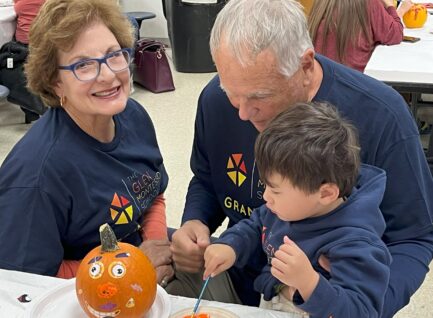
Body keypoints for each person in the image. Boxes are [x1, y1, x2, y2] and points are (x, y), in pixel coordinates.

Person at [167, 0, 433, 317]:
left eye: (259, 97)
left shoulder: (381, 116)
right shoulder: (216, 100)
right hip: (240, 275)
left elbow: (414, 239)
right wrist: (195, 221)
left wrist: (356, 307)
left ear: (305, 65)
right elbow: (207, 179)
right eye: (232, 93)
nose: (242, 112)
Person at [0, 0, 174, 286]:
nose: (107, 75)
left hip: (137, 256)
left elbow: (153, 192)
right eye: (83, 65)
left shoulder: (133, 116)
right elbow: (26, 280)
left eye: (113, 55)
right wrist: (132, 266)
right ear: (55, 82)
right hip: (85, 292)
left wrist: (157, 247)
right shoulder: (38, 175)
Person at [204, 102, 391, 317]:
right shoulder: (286, 208)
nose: (266, 197)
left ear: (326, 194)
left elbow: (362, 311)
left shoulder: (355, 244)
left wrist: (309, 282)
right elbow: (257, 224)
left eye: (275, 190)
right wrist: (231, 245)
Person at [308, 0, 413, 72]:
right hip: (353, 83)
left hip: (320, 83)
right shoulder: (369, 3)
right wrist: (394, 8)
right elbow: (395, 34)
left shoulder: (321, 3)